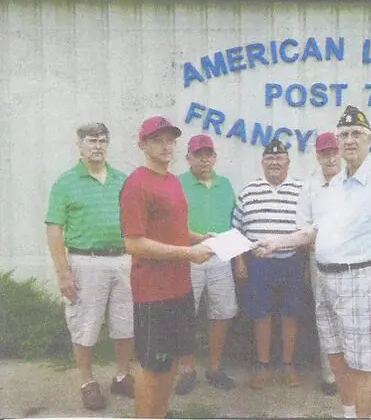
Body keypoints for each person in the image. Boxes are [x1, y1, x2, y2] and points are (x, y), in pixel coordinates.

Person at [254, 105, 371, 419]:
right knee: (336, 359)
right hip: (325, 280)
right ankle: (349, 413)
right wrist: (277, 242)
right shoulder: (336, 182)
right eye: (343, 135)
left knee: (362, 366)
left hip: (360, 281)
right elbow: (315, 230)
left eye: (356, 134)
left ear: (370, 139)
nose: (349, 140)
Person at [119, 116, 213, 418]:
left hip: (180, 288)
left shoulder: (172, 180)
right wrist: (188, 252)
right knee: (151, 366)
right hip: (152, 293)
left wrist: (200, 238)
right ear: (142, 144)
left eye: (170, 140)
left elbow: (172, 227)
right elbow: (133, 243)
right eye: (157, 140)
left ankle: (160, 413)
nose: (165, 146)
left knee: (171, 359)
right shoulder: (136, 184)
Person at [46, 123, 135, 411]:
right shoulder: (65, 182)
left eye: (102, 141)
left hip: (123, 260)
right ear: (80, 145)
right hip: (86, 263)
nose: (98, 146)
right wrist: (63, 273)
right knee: (85, 326)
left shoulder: (123, 180)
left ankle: (122, 377)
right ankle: (87, 382)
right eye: (91, 141)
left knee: (125, 324)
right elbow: (55, 229)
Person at [232, 139, 305, 390]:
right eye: (269, 158)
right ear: (262, 162)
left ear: (288, 162)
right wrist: (240, 261)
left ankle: (287, 365)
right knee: (260, 314)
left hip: (291, 262)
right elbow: (236, 230)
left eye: (279, 158)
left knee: (291, 314)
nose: (274, 162)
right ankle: (262, 366)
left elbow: (308, 228)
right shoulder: (249, 191)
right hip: (258, 265)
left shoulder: (301, 190)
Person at [174, 134, 241, 394]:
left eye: (208, 154)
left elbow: (233, 223)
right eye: (198, 154)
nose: (204, 158)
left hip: (220, 258)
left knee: (222, 313)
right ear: (188, 157)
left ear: (214, 157)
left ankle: (214, 367)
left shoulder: (225, 184)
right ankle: (187, 369)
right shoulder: (177, 184)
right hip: (188, 256)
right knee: (185, 313)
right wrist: (200, 239)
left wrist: (238, 259)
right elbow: (173, 224)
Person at [296, 131, 341, 396]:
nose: (330, 157)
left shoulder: (351, 181)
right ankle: (330, 375)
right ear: (318, 156)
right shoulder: (310, 186)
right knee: (325, 314)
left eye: (333, 152)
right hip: (319, 259)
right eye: (325, 153)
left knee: (351, 315)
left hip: (351, 261)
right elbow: (302, 222)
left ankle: (354, 370)